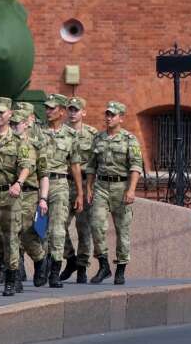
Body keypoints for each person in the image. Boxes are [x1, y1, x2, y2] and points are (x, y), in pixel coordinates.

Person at [0, 97, 33, 296]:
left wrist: (19, 183)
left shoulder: (19, 141)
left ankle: (12, 277)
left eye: (1, 112)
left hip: (11, 195)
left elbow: (26, 165)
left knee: (11, 238)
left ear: (10, 114)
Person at [86, 101, 142, 285]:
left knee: (122, 231)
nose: (108, 118)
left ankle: (120, 269)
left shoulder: (129, 139)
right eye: (107, 114)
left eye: (112, 115)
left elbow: (135, 166)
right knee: (95, 224)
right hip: (101, 187)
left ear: (121, 118)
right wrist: (88, 187)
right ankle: (104, 265)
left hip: (121, 188)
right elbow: (92, 165)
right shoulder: (99, 138)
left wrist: (131, 190)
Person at [41, 94, 84, 288]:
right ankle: (40, 264)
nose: (48, 111)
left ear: (61, 111)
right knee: (36, 228)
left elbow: (75, 165)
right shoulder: (37, 132)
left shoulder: (71, 136)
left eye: (52, 108)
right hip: (39, 183)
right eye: (47, 108)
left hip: (59, 183)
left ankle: (54, 272)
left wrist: (81, 193)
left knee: (58, 228)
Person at [9, 108, 50, 289]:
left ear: (26, 124)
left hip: (30, 193)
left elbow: (44, 175)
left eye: (16, 124)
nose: (13, 127)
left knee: (27, 233)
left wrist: (43, 198)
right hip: (9, 194)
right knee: (11, 234)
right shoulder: (6, 145)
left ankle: (40, 259)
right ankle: (16, 276)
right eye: (11, 124)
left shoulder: (36, 145)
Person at [60, 97, 98, 283]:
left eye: (76, 110)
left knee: (84, 228)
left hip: (84, 183)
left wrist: (89, 188)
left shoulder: (92, 134)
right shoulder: (60, 132)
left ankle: (82, 266)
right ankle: (70, 259)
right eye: (70, 109)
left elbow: (95, 164)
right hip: (63, 184)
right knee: (58, 225)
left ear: (83, 112)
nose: (73, 113)